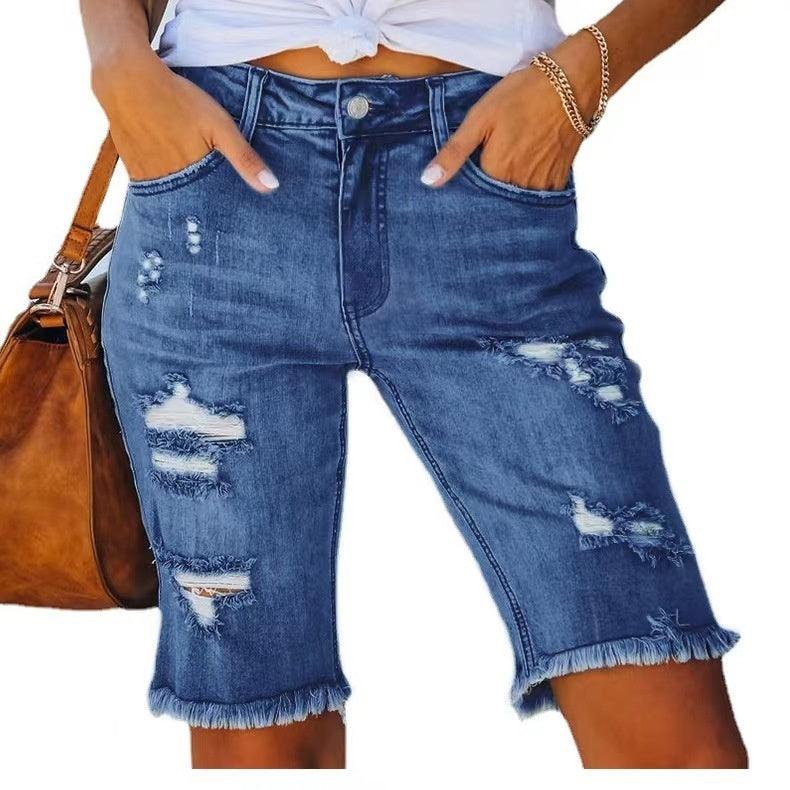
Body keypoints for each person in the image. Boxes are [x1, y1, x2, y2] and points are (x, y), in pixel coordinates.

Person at [81, 0, 747, 768]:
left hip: (483, 182)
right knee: (257, 736)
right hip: (215, 199)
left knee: (668, 721)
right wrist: (118, 62)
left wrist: (590, 68)